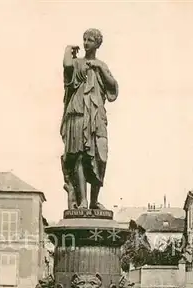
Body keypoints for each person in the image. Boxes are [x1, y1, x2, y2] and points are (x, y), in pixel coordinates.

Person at [60, 29, 118, 210]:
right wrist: (68, 49)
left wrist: (99, 68)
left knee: (100, 156)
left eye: (90, 40)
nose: (86, 43)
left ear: (97, 44)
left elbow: (113, 87)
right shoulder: (77, 63)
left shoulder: (102, 65)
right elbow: (67, 67)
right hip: (78, 112)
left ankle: (94, 200)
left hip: (96, 116)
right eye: (84, 39)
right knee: (79, 156)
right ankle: (83, 200)